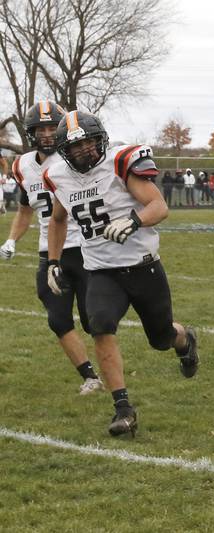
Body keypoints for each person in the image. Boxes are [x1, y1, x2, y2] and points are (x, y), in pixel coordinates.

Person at [45, 110, 200, 437]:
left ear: (99, 139)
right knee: (100, 325)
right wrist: (53, 262)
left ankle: (185, 340)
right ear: (63, 151)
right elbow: (58, 220)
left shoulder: (119, 162)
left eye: (87, 143)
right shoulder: (58, 175)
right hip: (101, 270)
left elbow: (159, 206)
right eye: (73, 147)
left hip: (143, 265)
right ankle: (123, 409)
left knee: (161, 339)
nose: (82, 151)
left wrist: (133, 221)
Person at [0, 101, 103, 395]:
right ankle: (90, 377)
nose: (46, 134)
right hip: (50, 253)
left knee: (93, 320)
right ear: (31, 133)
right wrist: (11, 239)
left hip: (83, 249)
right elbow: (24, 209)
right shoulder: (22, 165)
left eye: (50, 127)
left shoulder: (74, 159)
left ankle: (111, 368)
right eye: (40, 129)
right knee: (57, 320)